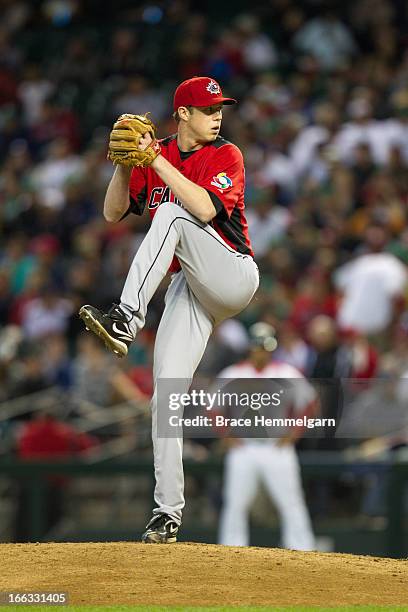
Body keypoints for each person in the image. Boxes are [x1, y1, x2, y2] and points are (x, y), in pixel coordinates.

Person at [78, 76, 259, 543]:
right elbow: (113, 214)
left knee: (172, 212)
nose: (217, 115)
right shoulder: (152, 152)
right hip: (191, 286)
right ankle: (167, 513)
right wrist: (124, 165)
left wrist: (154, 158)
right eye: (207, 108)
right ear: (183, 113)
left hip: (232, 272)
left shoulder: (226, 154)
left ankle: (126, 318)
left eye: (220, 107)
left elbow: (201, 209)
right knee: (166, 397)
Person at [218, 323, 316, 550]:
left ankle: (302, 548)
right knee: (235, 502)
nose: (261, 351)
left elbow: (310, 403)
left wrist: (294, 433)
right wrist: (226, 435)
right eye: (257, 346)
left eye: (265, 347)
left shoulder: (286, 372)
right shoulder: (233, 374)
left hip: (277, 446)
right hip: (244, 447)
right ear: (250, 348)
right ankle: (231, 550)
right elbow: (214, 408)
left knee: (291, 501)